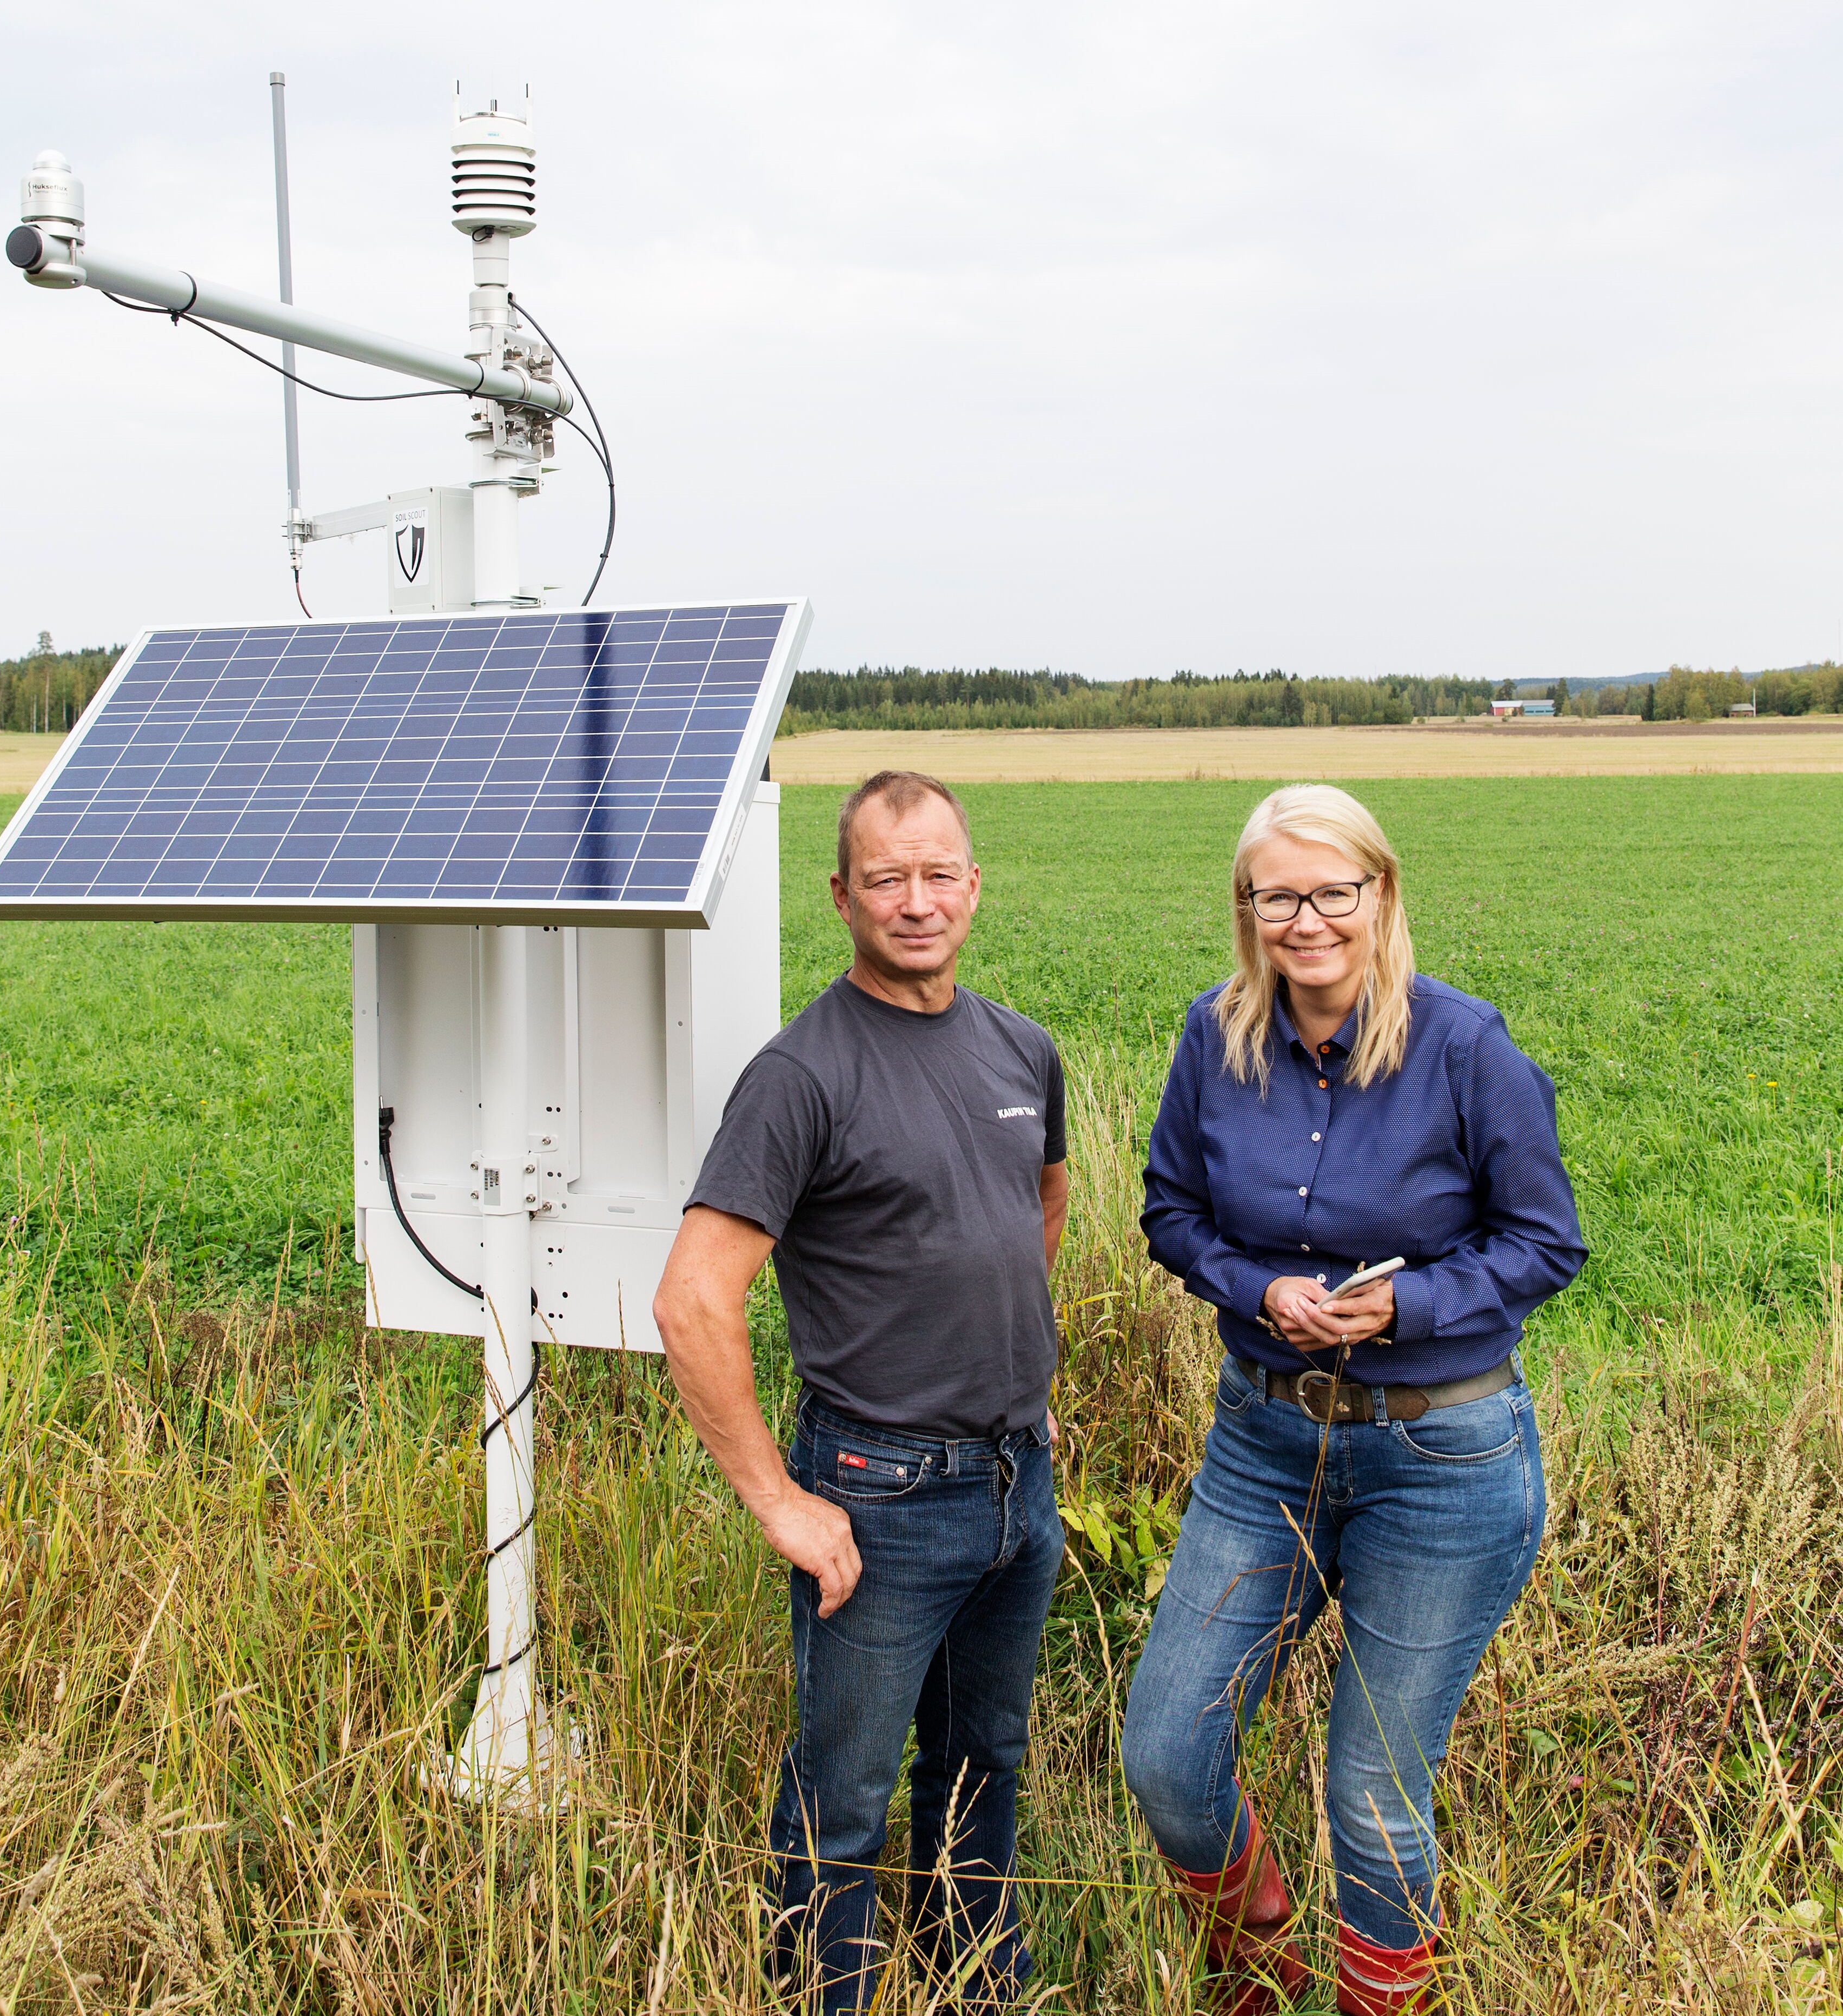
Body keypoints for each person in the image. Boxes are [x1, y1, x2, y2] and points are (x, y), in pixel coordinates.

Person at [1119, 785, 1585, 2016]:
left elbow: (1546, 1242)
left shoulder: (1462, 1045)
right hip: (1262, 1441)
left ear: (1380, 896)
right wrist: (1256, 1285)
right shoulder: (1211, 1035)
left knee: (1370, 1792)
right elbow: (1169, 1213)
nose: (1307, 918)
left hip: (1441, 1458)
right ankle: (1258, 1972)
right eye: (1279, 894)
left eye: (1334, 891)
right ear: (1247, 909)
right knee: (1166, 1750)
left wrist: (1404, 1308)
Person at [653, 770, 1069, 2015]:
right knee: (845, 1796)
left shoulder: (1018, 1046)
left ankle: (968, 1980)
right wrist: (777, 1500)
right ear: (841, 896)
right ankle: (814, 1995)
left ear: (973, 885)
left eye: (938, 872)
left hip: (1013, 1480)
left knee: (983, 1763)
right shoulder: (802, 1074)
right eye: (885, 877)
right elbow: (692, 1298)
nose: (915, 899)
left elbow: (1034, 1203)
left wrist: (1015, 1366)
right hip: (876, 1493)